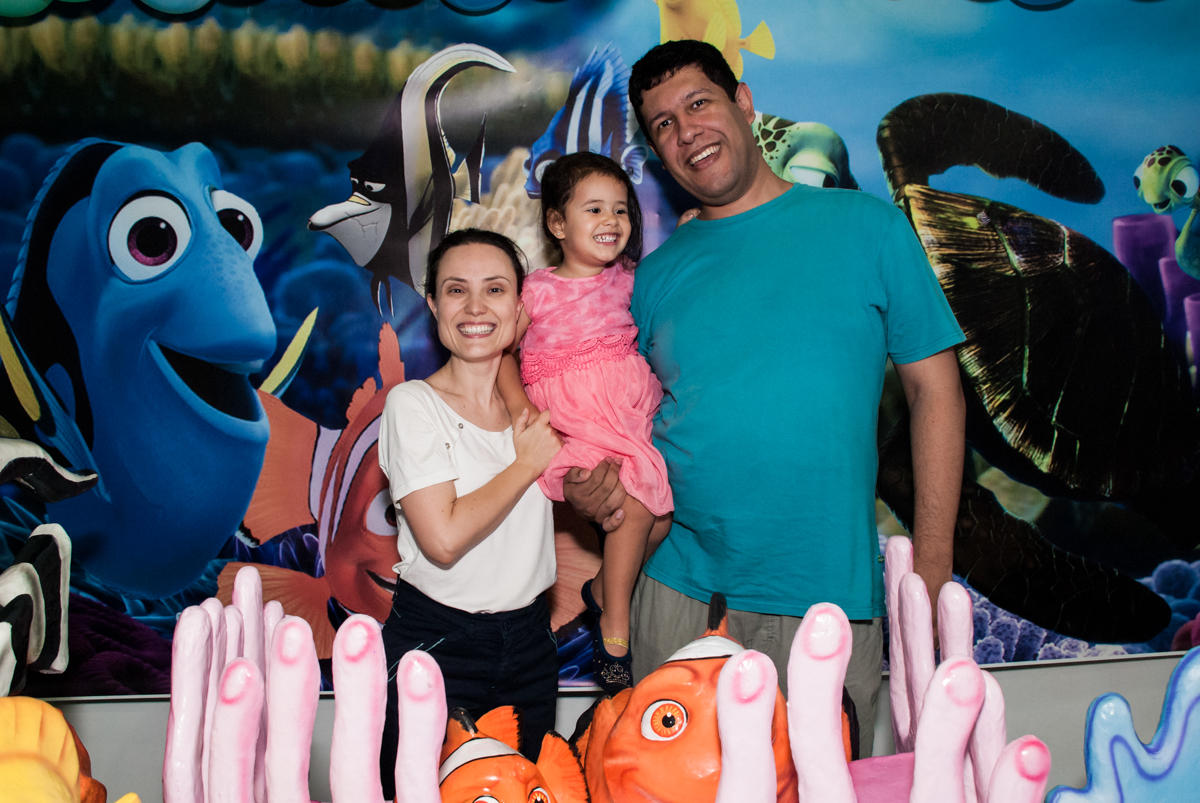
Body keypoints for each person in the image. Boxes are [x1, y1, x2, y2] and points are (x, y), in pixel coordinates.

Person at [562, 39, 967, 754]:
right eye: (662, 124)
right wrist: (597, 493)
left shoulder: (867, 226)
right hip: (674, 595)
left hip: (822, 598)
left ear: (744, 104)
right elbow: (630, 428)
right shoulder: (652, 277)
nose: (686, 131)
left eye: (698, 103)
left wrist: (930, 569)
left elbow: (936, 392)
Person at [375, 228, 562, 797]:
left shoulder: (534, 406)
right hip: (439, 642)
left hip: (530, 641)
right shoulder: (413, 405)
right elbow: (444, 538)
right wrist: (525, 464)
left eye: (495, 289)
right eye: (456, 291)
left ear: (518, 305)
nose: (476, 308)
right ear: (432, 304)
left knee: (524, 791)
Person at [497, 152, 674, 693]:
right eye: (594, 209)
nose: (611, 221)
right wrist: (521, 410)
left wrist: (690, 233)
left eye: (621, 210)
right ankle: (615, 624)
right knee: (636, 506)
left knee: (659, 520)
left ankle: (601, 593)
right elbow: (502, 353)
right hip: (573, 424)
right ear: (557, 223)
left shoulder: (630, 280)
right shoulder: (537, 290)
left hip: (625, 418)